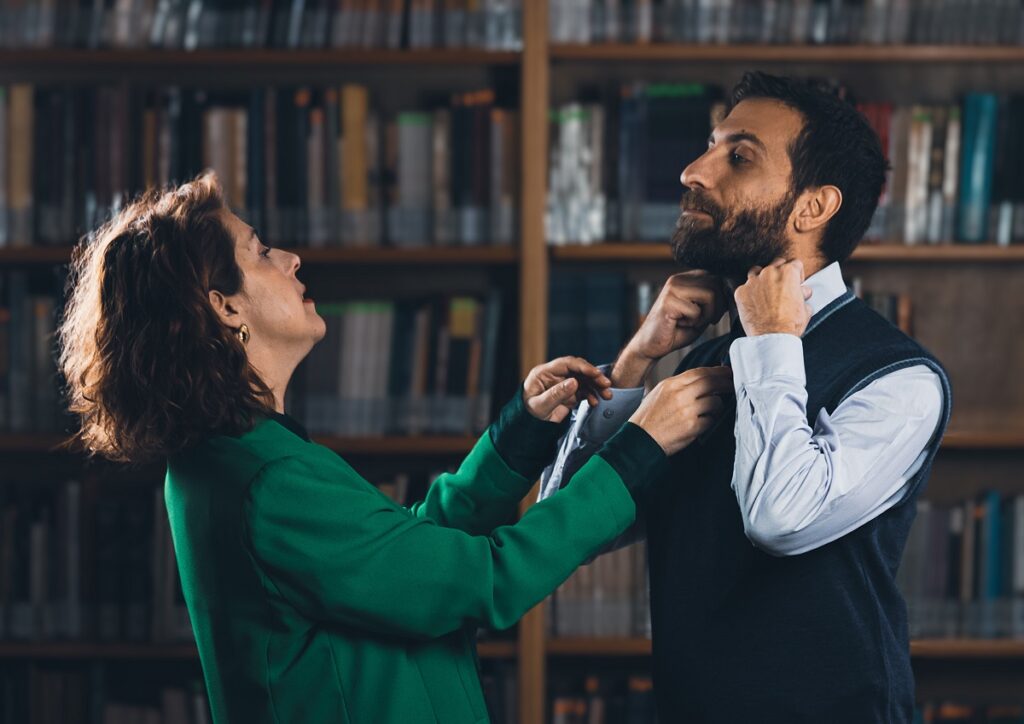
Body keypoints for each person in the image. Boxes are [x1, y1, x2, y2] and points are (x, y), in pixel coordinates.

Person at [56, 172, 733, 723]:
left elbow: (406, 561)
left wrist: (523, 430)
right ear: (224, 307)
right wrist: (637, 450)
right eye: (260, 252)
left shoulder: (233, 458)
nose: (290, 259)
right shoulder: (267, 480)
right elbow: (481, 582)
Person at [540, 71, 952, 723]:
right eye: (709, 148)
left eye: (738, 157)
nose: (692, 172)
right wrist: (636, 361)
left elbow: (780, 521)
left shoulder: (901, 379)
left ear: (813, 208)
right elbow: (564, 527)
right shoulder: (700, 362)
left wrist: (772, 341)